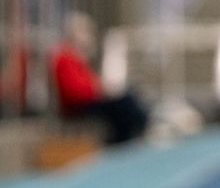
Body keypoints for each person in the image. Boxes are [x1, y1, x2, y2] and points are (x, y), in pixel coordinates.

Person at [50, 13, 149, 145]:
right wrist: (98, 89)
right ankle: (122, 141)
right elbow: (74, 92)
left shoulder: (78, 58)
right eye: (85, 32)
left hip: (89, 101)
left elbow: (89, 82)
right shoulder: (65, 59)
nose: (88, 37)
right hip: (79, 107)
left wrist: (101, 87)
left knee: (127, 97)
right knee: (122, 104)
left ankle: (129, 136)